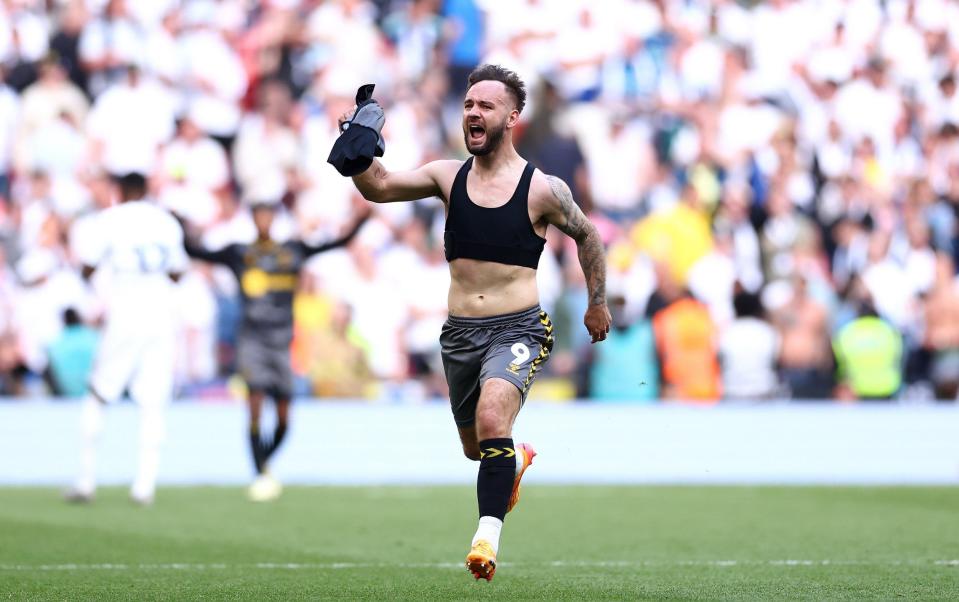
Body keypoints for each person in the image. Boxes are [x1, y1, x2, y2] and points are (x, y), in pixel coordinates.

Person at [337, 64, 611, 581]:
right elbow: (378, 187)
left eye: (485, 106)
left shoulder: (542, 189)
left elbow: (588, 235)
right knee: (478, 448)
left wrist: (597, 301)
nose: (473, 113)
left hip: (520, 328)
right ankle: (515, 460)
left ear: (512, 117)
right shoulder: (447, 176)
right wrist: (359, 148)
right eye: (468, 105)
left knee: (491, 423)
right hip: (460, 334)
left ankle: (486, 540)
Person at [180, 197, 369, 502]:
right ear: (253, 218)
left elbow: (338, 242)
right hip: (252, 339)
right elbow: (195, 251)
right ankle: (259, 474)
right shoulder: (239, 253)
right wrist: (181, 223)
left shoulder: (292, 251)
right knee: (254, 402)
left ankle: (263, 463)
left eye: (268, 214)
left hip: (282, 341)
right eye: (259, 215)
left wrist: (362, 220)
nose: (264, 220)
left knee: (283, 418)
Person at [65, 172, 188, 506]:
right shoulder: (166, 222)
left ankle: (86, 480)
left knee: (98, 393)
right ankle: (144, 486)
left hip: (126, 308)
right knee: (153, 401)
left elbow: (87, 267)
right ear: (145, 191)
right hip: (161, 312)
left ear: (118, 192)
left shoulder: (108, 220)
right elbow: (178, 272)